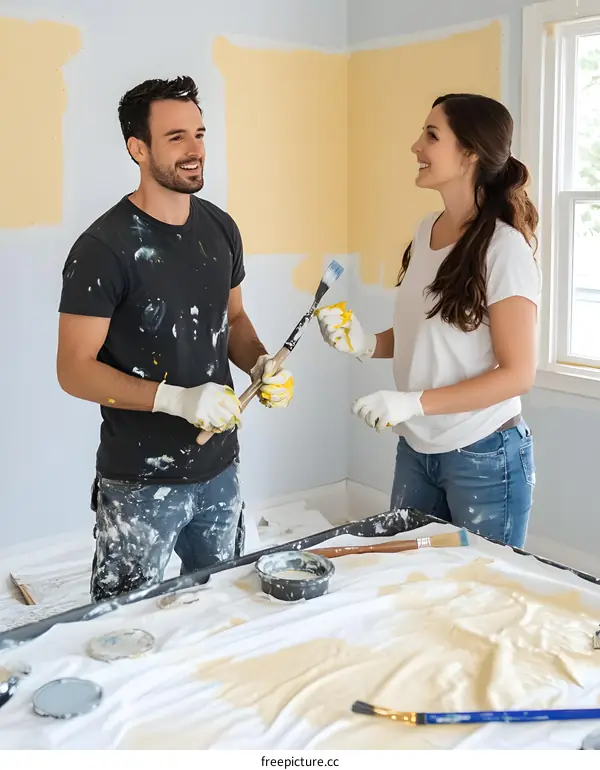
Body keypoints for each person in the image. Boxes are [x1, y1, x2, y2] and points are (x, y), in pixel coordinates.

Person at [57, 76, 294, 602]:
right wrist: (176, 400)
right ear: (136, 148)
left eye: (200, 134)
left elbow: (233, 321)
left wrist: (259, 364)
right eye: (176, 138)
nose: (195, 151)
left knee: (226, 604)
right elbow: (74, 368)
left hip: (220, 469)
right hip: (140, 482)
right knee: (124, 624)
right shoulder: (103, 248)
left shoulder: (221, 229)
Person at [316, 93, 540, 549]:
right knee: (411, 586)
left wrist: (412, 402)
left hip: (483, 453)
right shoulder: (427, 230)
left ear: (470, 154)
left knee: (480, 593)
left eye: (431, 135)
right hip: (418, 449)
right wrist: (366, 342)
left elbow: (518, 374)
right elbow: (428, 336)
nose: (416, 146)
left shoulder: (504, 250)